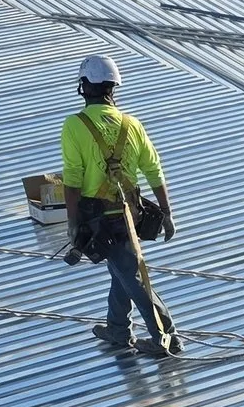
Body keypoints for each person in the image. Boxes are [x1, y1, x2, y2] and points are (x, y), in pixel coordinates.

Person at [62, 53, 182, 356]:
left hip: (100, 219)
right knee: (122, 269)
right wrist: (166, 212)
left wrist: (73, 224)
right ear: (112, 88)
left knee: (132, 276)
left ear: (84, 87)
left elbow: (73, 181)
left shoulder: (75, 125)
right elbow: (154, 170)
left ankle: (167, 337)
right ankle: (117, 328)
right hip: (132, 214)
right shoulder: (132, 124)